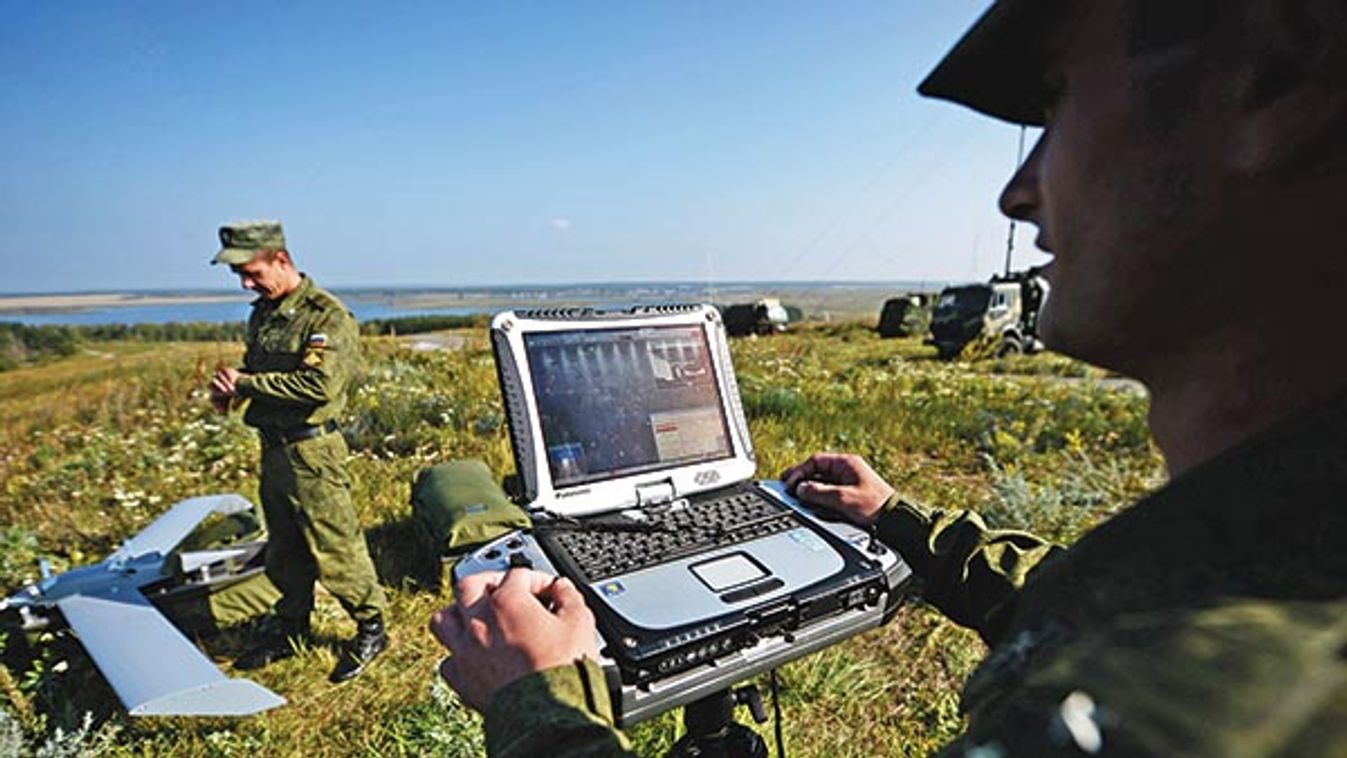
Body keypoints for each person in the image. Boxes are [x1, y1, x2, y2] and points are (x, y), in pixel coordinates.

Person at [430, 0, 1347, 754]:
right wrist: (902, 524)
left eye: (1058, 101)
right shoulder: (1271, 564)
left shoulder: (1173, 713)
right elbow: (1105, 599)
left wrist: (540, 712)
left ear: (1269, 83)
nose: (1016, 192)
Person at [209, 219, 390, 684]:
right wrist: (232, 392)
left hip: (313, 455)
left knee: (335, 546)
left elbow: (318, 384)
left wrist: (248, 383)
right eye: (240, 277)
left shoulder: (325, 317)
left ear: (281, 259)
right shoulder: (264, 314)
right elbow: (258, 371)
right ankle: (291, 626)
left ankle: (371, 626)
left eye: (252, 272)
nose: (247, 284)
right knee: (285, 548)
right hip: (273, 451)